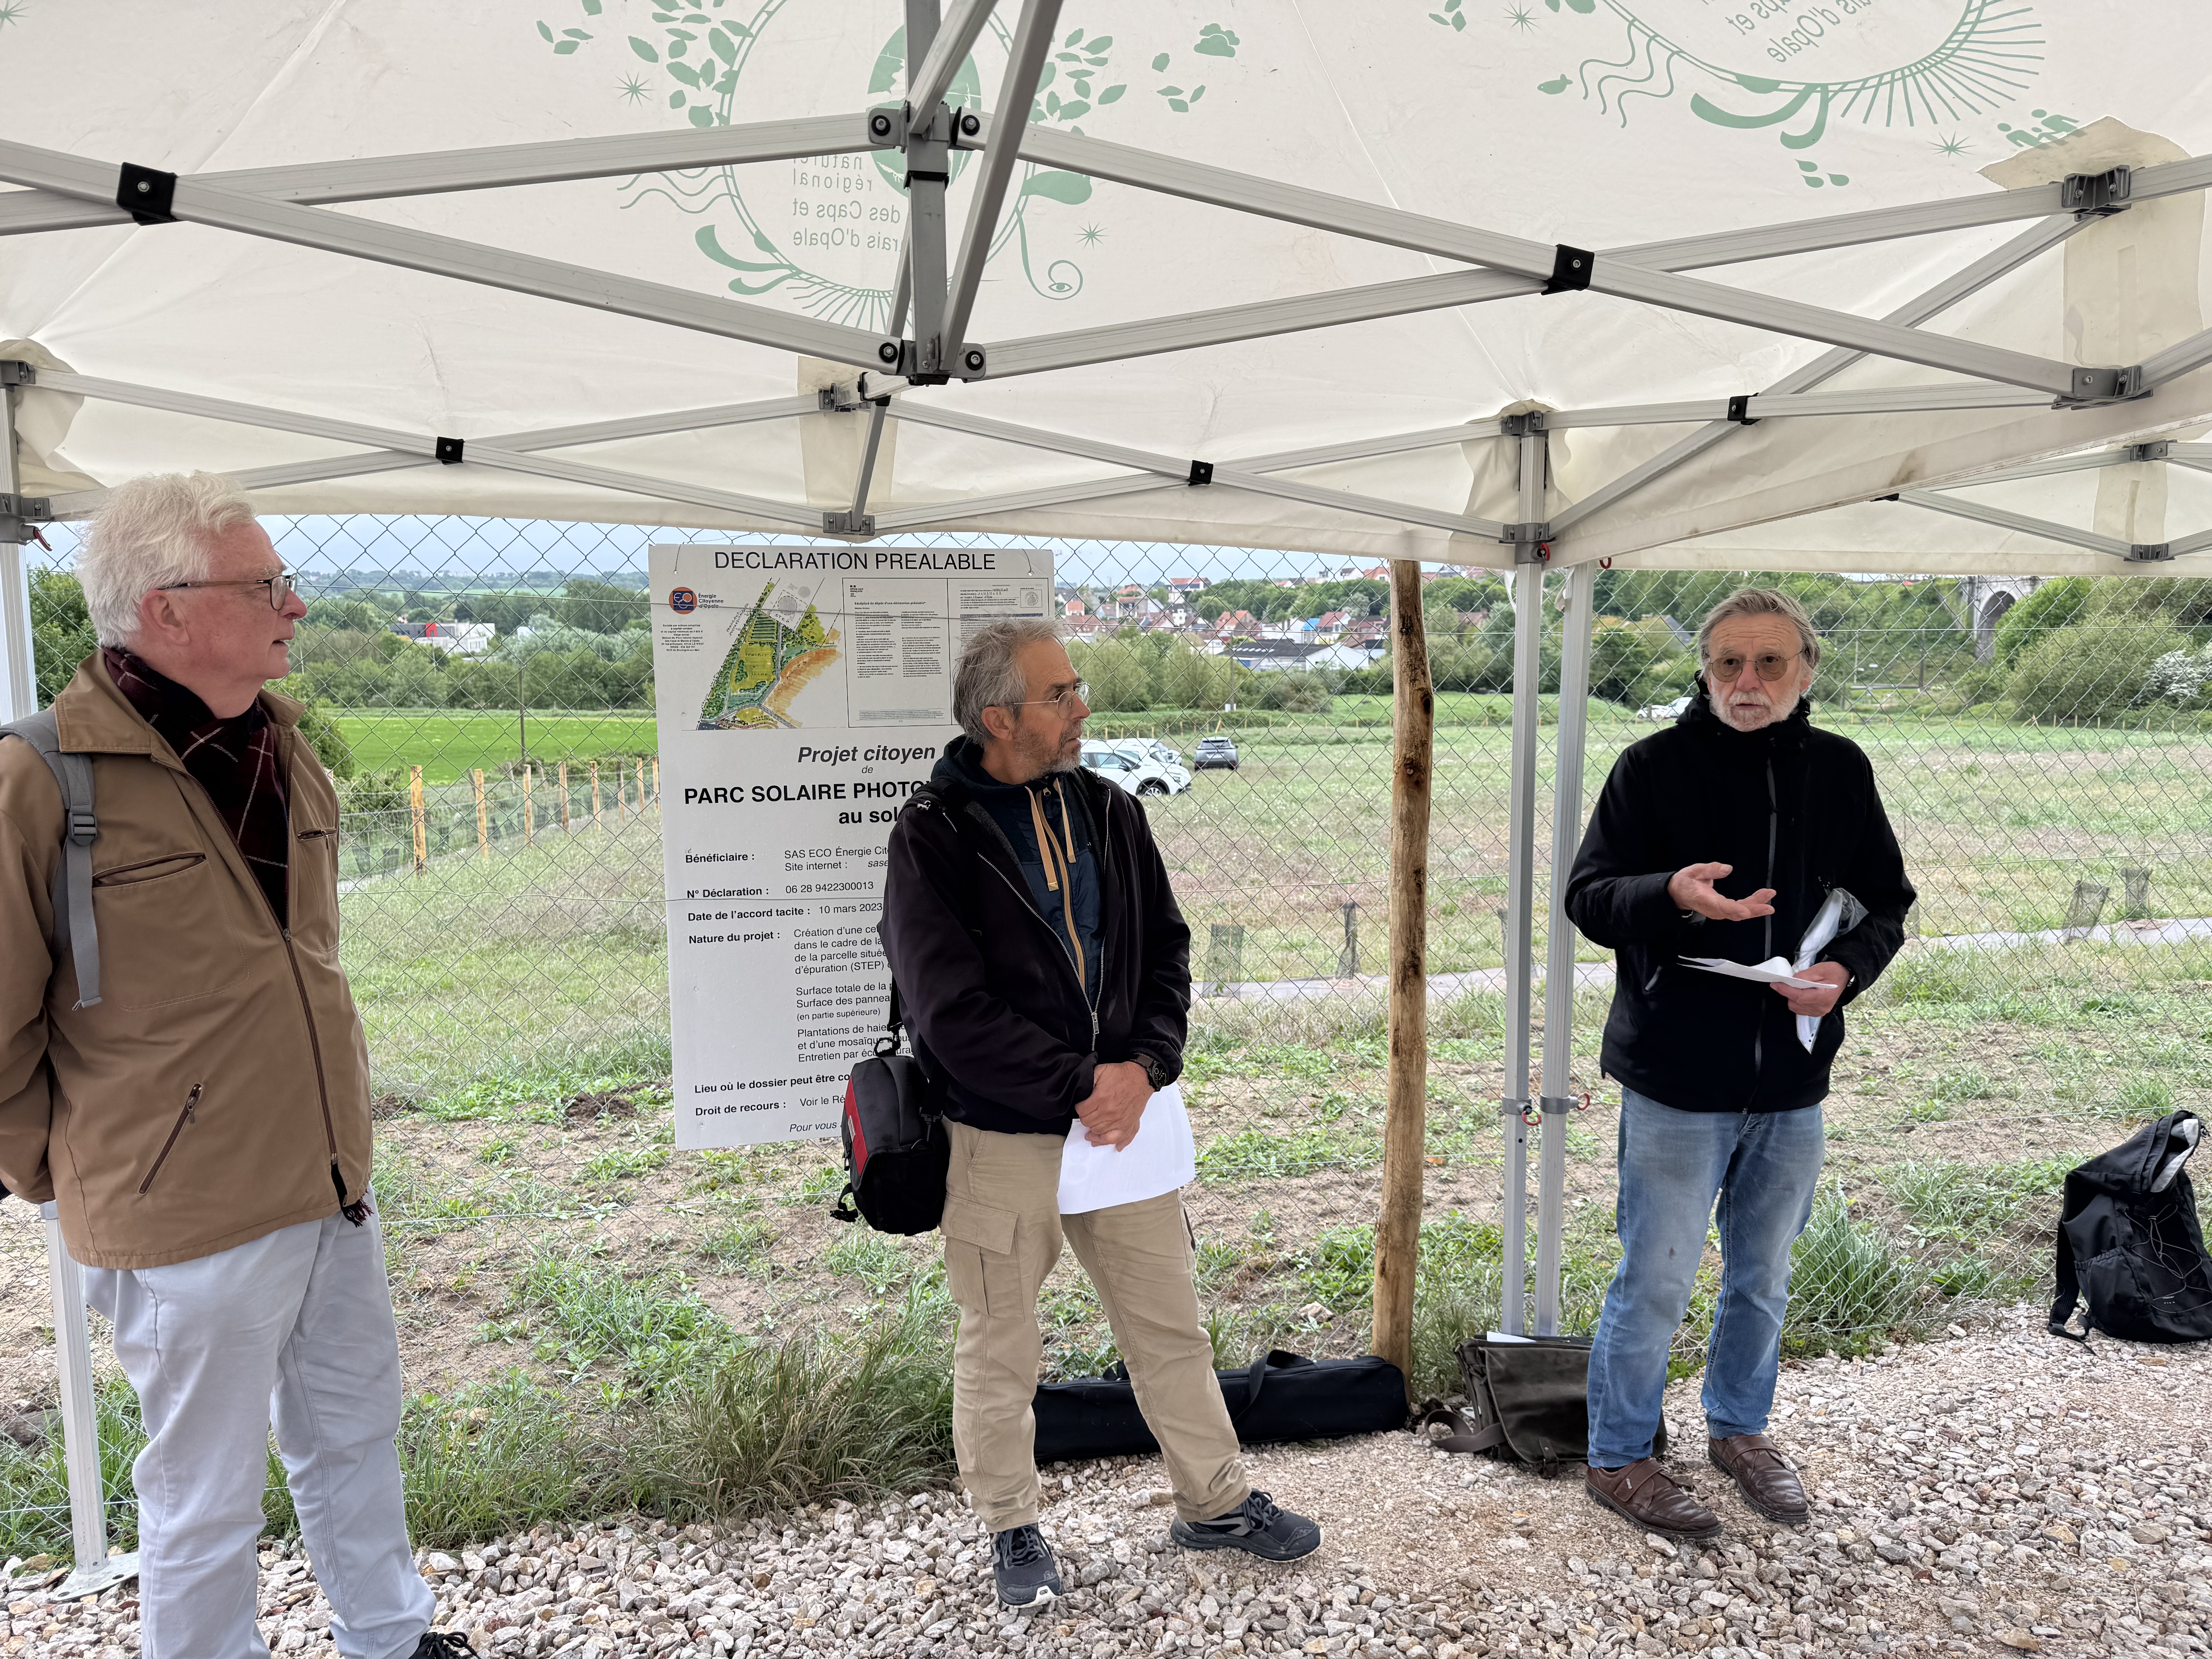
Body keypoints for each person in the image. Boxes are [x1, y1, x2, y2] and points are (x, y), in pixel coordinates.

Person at [0, 474, 473, 1659]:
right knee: (204, 1500)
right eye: (264, 584)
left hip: (326, 1183)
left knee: (357, 1432)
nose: (295, 605)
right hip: (179, 1219)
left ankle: (389, 1636)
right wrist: (75, 1171)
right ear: (166, 610)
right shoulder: (40, 779)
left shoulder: (284, 751)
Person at [878, 618, 1321, 1607]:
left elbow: (1167, 950)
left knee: (1170, 1327)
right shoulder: (933, 833)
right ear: (1000, 718)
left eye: (1077, 690)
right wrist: (1083, 1082)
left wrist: (1147, 1065)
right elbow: (949, 1014)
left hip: (1125, 1121)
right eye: (1061, 696)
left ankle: (1214, 1503)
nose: (1083, 710)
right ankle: (1013, 1529)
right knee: (1001, 1344)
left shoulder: (1113, 811)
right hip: (1002, 1133)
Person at [1563, 587, 1913, 1540]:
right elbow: (1589, 897)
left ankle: (1739, 1431)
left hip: (1792, 1081)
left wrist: (1843, 973)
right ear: (1705, 671)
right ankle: (1620, 1456)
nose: (1747, 682)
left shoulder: (1841, 770)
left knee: (1762, 1273)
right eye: (1728, 663)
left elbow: (1888, 903)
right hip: (1678, 1077)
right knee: (1659, 1275)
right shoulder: (1652, 769)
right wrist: (1670, 896)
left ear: (1806, 673)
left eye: (1769, 664)